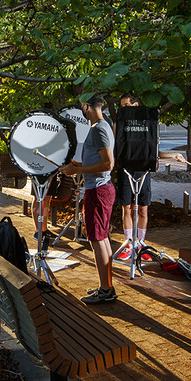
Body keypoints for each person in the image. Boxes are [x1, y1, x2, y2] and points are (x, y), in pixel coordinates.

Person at [114, 93, 186, 261]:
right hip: (125, 169)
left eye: (126, 106)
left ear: (136, 105)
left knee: (143, 209)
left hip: (143, 169)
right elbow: (114, 150)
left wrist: (172, 155)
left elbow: (152, 152)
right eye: (121, 107)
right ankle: (128, 244)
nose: (123, 109)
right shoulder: (118, 124)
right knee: (127, 208)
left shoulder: (147, 125)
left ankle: (141, 244)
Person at [60, 95, 116, 304]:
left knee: (97, 239)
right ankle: (106, 286)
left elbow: (108, 164)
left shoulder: (99, 129)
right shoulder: (104, 126)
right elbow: (98, 159)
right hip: (100, 189)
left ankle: (105, 290)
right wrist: (77, 165)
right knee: (101, 238)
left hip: (98, 191)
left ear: (86, 106)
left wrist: (79, 170)